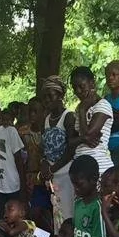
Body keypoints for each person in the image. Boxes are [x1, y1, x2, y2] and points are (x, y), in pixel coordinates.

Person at [40, 75, 79, 223]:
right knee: (58, 213)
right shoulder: (46, 119)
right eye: (44, 97)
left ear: (61, 95)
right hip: (54, 176)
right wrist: (44, 163)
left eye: (50, 96)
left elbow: (71, 149)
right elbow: (44, 148)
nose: (47, 100)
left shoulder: (68, 117)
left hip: (67, 174)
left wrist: (52, 168)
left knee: (69, 213)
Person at [69, 66, 114, 180]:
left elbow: (87, 134)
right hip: (80, 167)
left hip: (99, 167)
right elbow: (70, 142)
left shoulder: (102, 105)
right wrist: (83, 138)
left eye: (81, 86)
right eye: (75, 88)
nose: (78, 91)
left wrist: (83, 109)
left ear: (92, 83)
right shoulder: (79, 108)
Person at [18, 97, 52, 230]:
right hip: (31, 179)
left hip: (50, 178)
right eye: (30, 111)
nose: (32, 114)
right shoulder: (22, 132)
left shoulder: (50, 131)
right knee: (35, 214)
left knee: (54, 212)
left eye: (36, 111)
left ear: (44, 112)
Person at [66, 155, 107, 237]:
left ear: (94, 179)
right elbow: (75, 235)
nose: (75, 189)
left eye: (79, 185)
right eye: (73, 185)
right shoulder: (78, 202)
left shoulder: (98, 207)